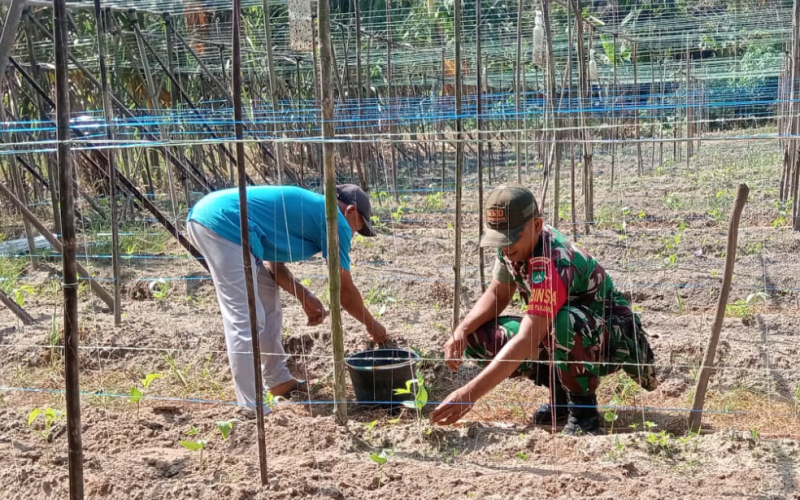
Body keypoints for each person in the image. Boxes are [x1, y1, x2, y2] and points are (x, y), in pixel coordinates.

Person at [430, 185, 658, 434]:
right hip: (561, 333)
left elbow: (528, 339)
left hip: (606, 341)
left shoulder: (554, 260)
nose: (505, 247)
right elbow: (498, 293)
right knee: (477, 335)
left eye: (511, 237)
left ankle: (583, 414)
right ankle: (560, 399)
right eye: (499, 238)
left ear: (537, 225)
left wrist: (468, 394)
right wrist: (462, 330)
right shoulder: (513, 248)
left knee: (562, 322)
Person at [187, 184, 388, 414]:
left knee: (268, 305)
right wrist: (373, 325)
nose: (353, 235)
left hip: (224, 220)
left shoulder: (312, 210)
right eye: (358, 228)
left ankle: (278, 381)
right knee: (246, 318)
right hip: (224, 223)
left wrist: (305, 296)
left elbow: (276, 266)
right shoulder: (336, 221)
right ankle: (252, 407)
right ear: (351, 211)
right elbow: (343, 290)